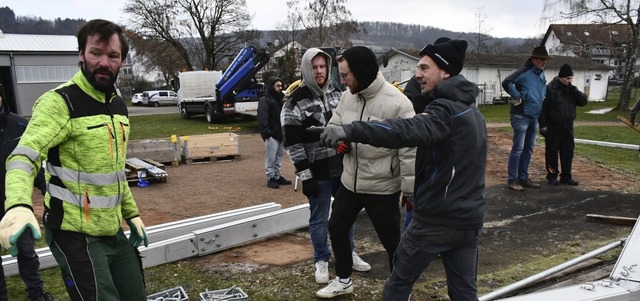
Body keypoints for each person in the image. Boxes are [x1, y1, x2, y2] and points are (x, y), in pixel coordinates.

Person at [318, 39, 486, 301]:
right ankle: (343, 278)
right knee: (464, 294)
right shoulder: (472, 112)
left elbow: (403, 130)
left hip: (435, 220)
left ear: (445, 71)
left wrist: (351, 130)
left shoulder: (443, 112)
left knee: (397, 286)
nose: (417, 74)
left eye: (424, 68)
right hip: (469, 220)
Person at [0, 19, 148, 300]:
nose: (104, 62)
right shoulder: (60, 103)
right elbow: (24, 156)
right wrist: (18, 205)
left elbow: (115, 172)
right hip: (74, 233)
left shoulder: (117, 106)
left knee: (135, 294)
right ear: (81, 54)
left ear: (122, 60)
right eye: (95, 53)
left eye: (112, 56)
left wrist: (132, 214)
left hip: (110, 228)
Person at [315, 46, 416, 299]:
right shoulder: (349, 95)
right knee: (336, 228)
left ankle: (399, 289)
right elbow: (335, 124)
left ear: (361, 72)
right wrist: (335, 140)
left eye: (346, 74)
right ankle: (344, 279)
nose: (343, 80)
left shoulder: (398, 103)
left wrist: (410, 189)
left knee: (392, 242)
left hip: (382, 185)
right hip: (350, 181)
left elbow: (409, 150)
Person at [280, 48, 370, 285]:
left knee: (346, 217)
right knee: (319, 219)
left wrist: (348, 145)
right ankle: (321, 259)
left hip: (341, 170)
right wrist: (305, 176)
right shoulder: (294, 102)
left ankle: (348, 253)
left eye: (322, 67)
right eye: (314, 67)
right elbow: (293, 144)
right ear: (307, 69)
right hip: (317, 173)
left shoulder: (339, 94)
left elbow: (349, 126)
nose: (319, 72)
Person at [0, 84, 55, 301]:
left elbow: (33, 161)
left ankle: (36, 294)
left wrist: (46, 189)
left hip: (17, 204)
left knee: (26, 252)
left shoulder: (19, 124)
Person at [400, 37, 451, 230]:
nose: (420, 74)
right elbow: (408, 113)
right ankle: (408, 243)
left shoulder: (454, 92)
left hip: (443, 159)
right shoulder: (416, 84)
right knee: (416, 209)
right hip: (419, 150)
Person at [502, 46, 551, 191]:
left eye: (545, 60)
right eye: (542, 59)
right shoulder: (524, 71)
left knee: (529, 148)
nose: (544, 62)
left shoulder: (540, 74)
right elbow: (507, 82)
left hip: (533, 115)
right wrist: (517, 95)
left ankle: (523, 178)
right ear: (534, 59)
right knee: (518, 148)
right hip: (521, 114)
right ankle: (512, 179)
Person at [539, 64, 588, 186]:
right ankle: (552, 175)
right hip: (553, 127)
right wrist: (543, 125)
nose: (569, 81)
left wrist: (575, 91)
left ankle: (566, 176)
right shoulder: (550, 88)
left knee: (568, 152)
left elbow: (583, 102)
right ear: (560, 77)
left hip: (568, 127)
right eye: (566, 78)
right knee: (552, 153)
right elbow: (543, 109)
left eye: (570, 78)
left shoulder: (572, 90)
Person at [257, 76, 292, 189]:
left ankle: (277, 176)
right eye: (277, 86)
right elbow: (262, 117)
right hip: (272, 134)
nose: (280, 88)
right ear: (271, 86)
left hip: (281, 133)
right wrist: (267, 133)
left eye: (281, 86)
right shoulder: (265, 100)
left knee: (279, 157)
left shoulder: (280, 99)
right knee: (270, 158)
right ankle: (270, 177)